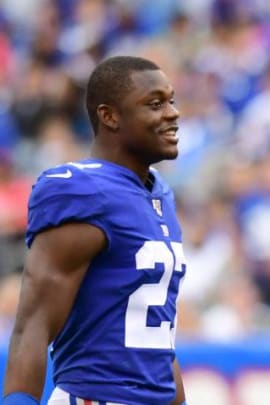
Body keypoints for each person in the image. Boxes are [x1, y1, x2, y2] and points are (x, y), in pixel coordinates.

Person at [2, 56, 187, 405]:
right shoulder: (81, 190)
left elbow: (155, 335)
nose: (172, 113)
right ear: (109, 116)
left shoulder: (159, 192)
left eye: (171, 100)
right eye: (155, 103)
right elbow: (33, 322)